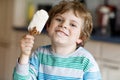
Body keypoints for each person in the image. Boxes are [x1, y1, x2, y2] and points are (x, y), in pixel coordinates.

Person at [13, 0, 102, 80]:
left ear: (81, 37)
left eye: (73, 24)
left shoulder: (86, 61)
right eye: (59, 19)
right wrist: (24, 55)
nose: (64, 25)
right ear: (48, 26)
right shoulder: (39, 55)